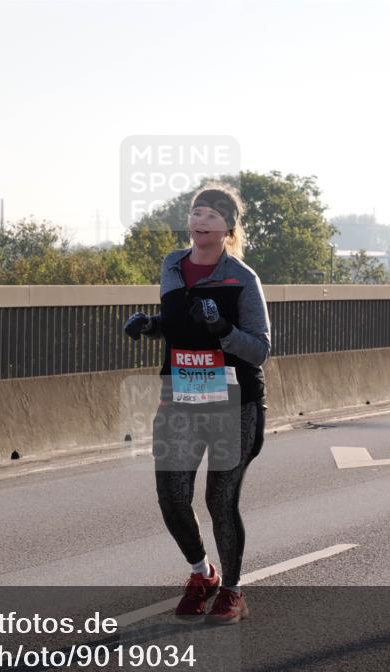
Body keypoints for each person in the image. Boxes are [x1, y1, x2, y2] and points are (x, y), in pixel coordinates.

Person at [124, 183, 271, 625]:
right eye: (196, 212)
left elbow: (260, 349)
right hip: (180, 400)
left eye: (212, 214)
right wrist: (149, 326)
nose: (201, 220)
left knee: (219, 501)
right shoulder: (172, 265)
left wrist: (223, 328)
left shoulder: (243, 279)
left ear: (228, 228)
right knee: (171, 496)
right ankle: (201, 573)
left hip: (235, 404)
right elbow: (177, 328)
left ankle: (232, 591)